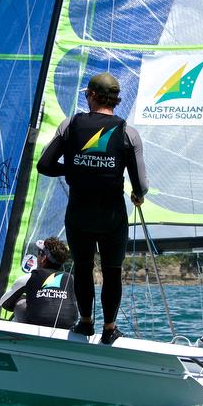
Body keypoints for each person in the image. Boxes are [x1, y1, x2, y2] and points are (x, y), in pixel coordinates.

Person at [36, 72, 148, 344]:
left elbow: (45, 165)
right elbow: (141, 184)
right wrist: (137, 195)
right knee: (112, 271)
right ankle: (109, 329)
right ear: (115, 99)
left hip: (79, 214)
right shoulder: (128, 132)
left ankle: (85, 325)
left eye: (86, 94)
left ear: (94, 96)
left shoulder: (70, 124)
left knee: (83, 268)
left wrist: (74, 168)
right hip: (112, 216)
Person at [0, 237, 77, 329]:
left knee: (20, 301)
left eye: (39, 253)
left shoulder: (29, 278)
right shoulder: (72, 279)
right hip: (66, 327)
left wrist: (27, 297)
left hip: (34, 328)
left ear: (43, 258)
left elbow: (3, 302)